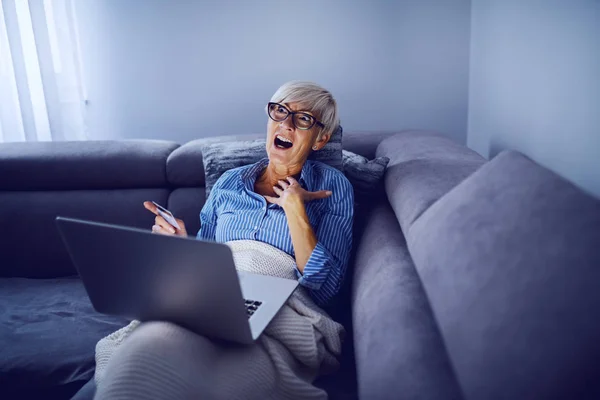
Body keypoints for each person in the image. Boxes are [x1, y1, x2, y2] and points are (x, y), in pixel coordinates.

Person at [95, 81, 354, 399]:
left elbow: (326, 291)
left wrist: (295, 210)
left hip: (281, 308)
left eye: (302, 119)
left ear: (321, 139)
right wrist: (181, 244)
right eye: (280, 111)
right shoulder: (230, 182)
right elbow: (207, 258)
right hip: (213, 295)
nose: (285, 123)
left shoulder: (333, 187)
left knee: (229, 377)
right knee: (147, 351)